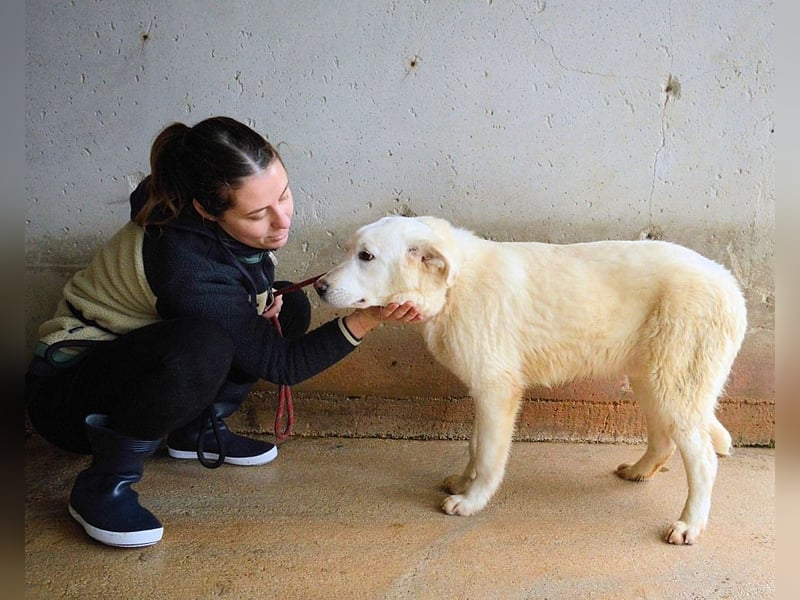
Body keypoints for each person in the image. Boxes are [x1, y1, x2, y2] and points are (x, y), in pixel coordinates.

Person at [25, 116, 422, 548]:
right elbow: (283, 365)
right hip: (67, 398)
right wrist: (367, 319)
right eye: (257, 213)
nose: (281, 219)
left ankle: (196, 430)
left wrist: (261, 295)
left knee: (287, 306)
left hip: (132, 355)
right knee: (205, 345)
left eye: (284, 194)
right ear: (205, 210)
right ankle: (103, 485)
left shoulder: (196, 202)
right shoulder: (186, 266)